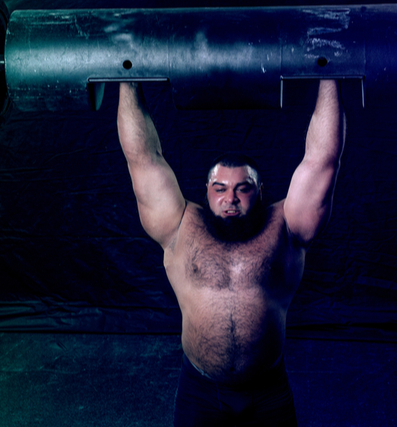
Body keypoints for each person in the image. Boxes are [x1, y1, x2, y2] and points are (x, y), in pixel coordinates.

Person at [117, 80, 346, 426]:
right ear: (206, 191)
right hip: (200, 389)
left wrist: (330, 73)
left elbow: (323, 159)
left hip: (268, 389)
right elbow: (142, 158)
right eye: (220, 188)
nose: (231, 199)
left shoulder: (285, 225)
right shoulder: (180, 225)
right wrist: (126, 78)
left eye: (243, 189)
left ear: (259, 192)